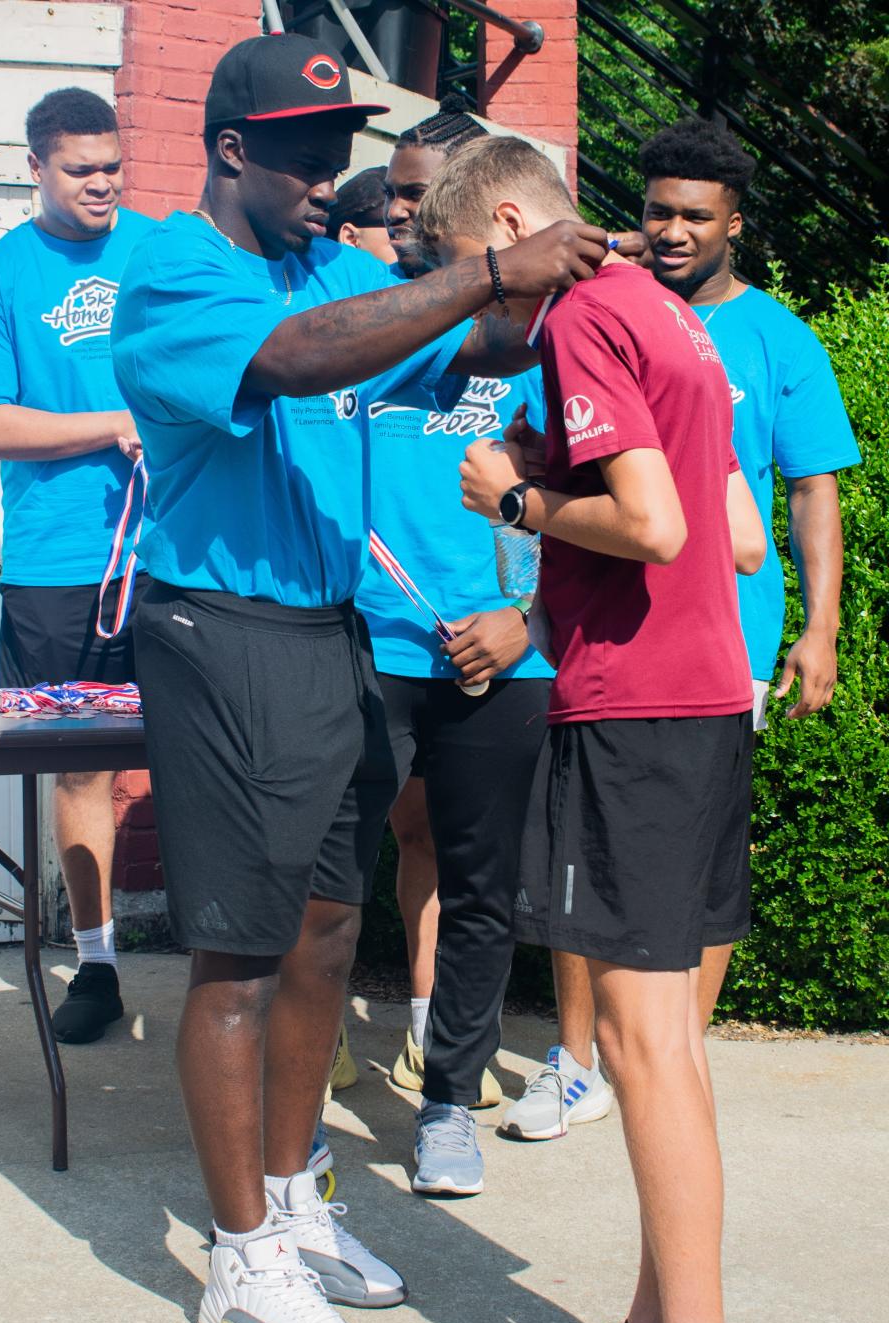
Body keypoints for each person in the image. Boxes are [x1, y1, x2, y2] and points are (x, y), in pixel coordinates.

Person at [110, 34, 615, 1323]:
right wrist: (485, 272)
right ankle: (238, 1257)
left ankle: (292, 1196)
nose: (331, 177)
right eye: (300, 151)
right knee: (238, 953)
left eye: (342, 150)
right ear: (230, 148)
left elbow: (462, 336)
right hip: (220, 630)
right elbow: (297, 357)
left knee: (329, 932)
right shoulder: (174, 270)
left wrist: (552, 256)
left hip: (333, 630)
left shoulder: (336, 261)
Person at [419, 133, 764, 1323]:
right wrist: (556, 480)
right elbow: (732, 532)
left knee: (642, 1043)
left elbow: (663, 528)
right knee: (652, 1037)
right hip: (693, 702)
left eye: (474, 273)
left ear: (514, 222)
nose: (479, 302)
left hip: (641, 716)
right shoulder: (665, 312)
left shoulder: (581, 320)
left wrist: (520, 494)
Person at [509, 118, 861, 1118]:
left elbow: (807, 491)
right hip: (606, 639)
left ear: (735, 224)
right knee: (593, 861)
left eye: (695, 217)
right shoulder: (604, 313)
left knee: (689, 862)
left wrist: (820, 627)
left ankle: (665, 1058)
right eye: (658, 210)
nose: (671, 231)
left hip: (720, 640)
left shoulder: (776, 338)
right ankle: (579, 1059)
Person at [351, 98, 576, 1198]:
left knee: (485, 888)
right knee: (332, 876)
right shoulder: (381, 325)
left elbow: (615, 520)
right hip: (380, 642)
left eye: (429, 215)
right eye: (402, 210)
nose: (409, 227)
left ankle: (448, 1101)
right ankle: (302, 1091)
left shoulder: (570, 347)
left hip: (509, 658)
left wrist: (522, 623)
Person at [0, 88, 153, 1045]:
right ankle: (98, 963)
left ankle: (248, 960)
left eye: (112, 165)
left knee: (218, 756)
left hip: (182, 554)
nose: (104, 183)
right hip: (61, 564)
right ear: (35, 168)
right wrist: (110, 423)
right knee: (80, 772)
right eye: (81, 170)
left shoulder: (160, 251)